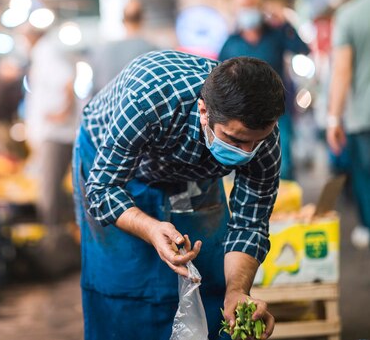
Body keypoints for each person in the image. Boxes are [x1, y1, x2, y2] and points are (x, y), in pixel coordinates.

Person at [73, 50, 282, 339]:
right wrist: (149, 227)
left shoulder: (262, 136)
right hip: (116, 167)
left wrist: (237, 291)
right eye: (235, 141)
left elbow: (250, 223)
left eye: (255, 143)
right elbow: (103, 189)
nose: (247, 154)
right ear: (204, 111)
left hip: (194, 168)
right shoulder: (149, 97)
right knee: (122, 276)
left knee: (206, 274)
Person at [218, 0, 309, 180]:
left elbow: (303, 49)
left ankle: (286, 207)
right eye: (243, 6)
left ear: (260, 7)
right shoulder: (230, 43)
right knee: (248, 166)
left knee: (284, 164)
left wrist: (286, 23)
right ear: (235, 10)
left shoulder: (277, 35)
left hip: (278, 112)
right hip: (243, 114)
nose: (247, 10)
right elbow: (219, 77)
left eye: (252, 5)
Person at [327, 0, 370, 250]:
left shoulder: (349, 15)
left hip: (362, 118)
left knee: (366, 178)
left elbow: (342, 72)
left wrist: (333, 118)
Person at [25, 28, 78, 228]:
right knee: (54, 191)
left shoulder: (45, 53)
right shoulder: (43, 54)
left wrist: (63, 112)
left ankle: (54, 244)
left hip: (56, 135)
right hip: (54, 134)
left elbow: (67, 80)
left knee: (49, 196)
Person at [91, 0, 157, 93]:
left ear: (123, 20)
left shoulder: (104, 52)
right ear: (143, 19)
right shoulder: (153, 51)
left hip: (112, 106)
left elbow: (96, 88)